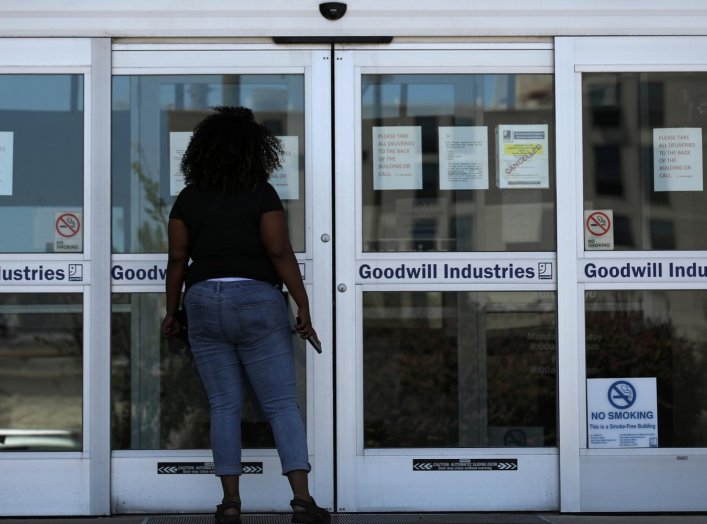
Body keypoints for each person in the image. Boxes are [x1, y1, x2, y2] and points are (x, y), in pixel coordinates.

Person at [161, 106, 330, 524]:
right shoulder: (261, 193)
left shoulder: (188, 198)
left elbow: (177, 259)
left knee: (223, 405)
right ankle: (303, 502)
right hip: (256, 300)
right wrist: (303, 305)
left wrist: (171, 312)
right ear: (257, 150)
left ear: (202, 151)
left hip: (202, 300)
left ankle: (230, 505)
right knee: (281, 405)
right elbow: (278, 251)